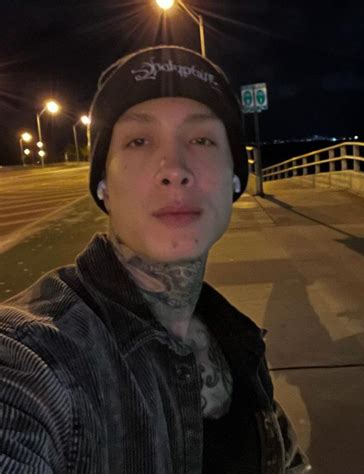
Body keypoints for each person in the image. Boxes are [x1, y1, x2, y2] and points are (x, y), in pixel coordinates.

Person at [0, 45, 311, 473]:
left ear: (235, 180)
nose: (174, 168)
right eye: (139, 141)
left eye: (201, 140)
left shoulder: (236, 340)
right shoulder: (34, 355)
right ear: (104, 185)